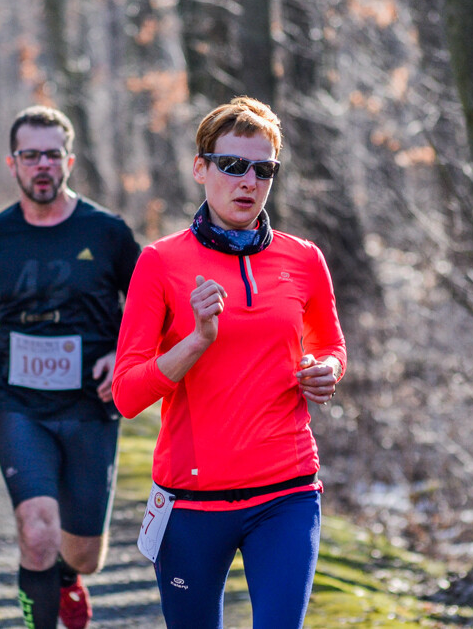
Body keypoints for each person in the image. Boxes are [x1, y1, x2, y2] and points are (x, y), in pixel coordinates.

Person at [111, 96, 347, 629]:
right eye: (232, 165)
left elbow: (332, 346)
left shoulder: (304, 259)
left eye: (263, 169)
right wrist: (196, 341)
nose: (248, 181)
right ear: (201, 168)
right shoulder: (160, 263)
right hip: (191, 501)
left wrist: (327, 370)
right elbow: (127, 395)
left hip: (286, 492)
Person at [0, 105, 140, 629]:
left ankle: (66, 577)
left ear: (69, 161)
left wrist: (121, 357)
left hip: (89, 403)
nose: (41, 166)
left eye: (51, 155)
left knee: (82, 554)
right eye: (30, 155)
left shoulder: (108, 233)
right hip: (17, 401)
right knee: (37, 531)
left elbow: (149, 308)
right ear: (12, 163)